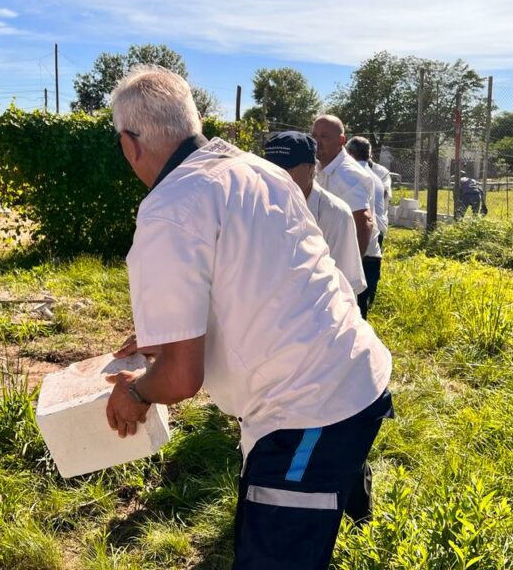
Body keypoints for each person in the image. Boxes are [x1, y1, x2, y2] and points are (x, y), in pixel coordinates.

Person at [107, 66, 393, 570]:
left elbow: (180, 379)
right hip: (350, 371)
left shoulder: (168, 209)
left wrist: (135, 394)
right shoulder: (258, 171)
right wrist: (163, 334)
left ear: (130, 144)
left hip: (308, 410)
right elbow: (262, 280)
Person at [263, 131, 366, 296]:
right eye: (270, 170)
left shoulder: (336, 214)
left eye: (287, 169)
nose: (276, 177)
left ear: (311, 168)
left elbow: (346, 284)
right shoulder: (258, 205)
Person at [311, 115, 381, 319]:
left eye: (325, 136)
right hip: (334, 259)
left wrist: (348, 268)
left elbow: (364, 221)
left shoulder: (347, 174)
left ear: (342, 140)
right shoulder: (321, 168)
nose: (317, 142)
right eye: (314, 136)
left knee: (349, 322)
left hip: (358, 259)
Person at [346, 137, 389, 254]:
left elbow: (362, 217)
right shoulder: (376, 178)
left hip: (361, 237)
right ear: (369, 155)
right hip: (377, 235)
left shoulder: (350, 175)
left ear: (349, 153)